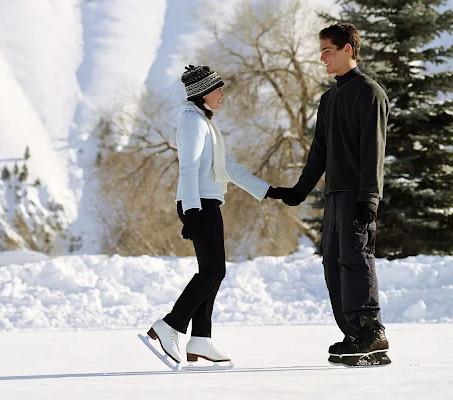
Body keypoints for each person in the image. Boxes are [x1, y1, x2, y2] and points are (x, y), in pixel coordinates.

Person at [266, 23, 391, 366]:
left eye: (327, 51)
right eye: (321, 50)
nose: (322, 57)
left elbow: (373, 151)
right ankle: (353, 334)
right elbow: (318, 152)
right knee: (333, 263)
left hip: (357, 193)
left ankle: (372, 331)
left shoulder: (370, 93)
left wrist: (370, 198)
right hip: (334, 193)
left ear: (348, 49)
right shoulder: (329, 98)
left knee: (355, 258)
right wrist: (299, 191)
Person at [147, 65, 272, 365]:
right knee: (213, 272)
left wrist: (270, 191)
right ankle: (171, 325)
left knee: (212, 271)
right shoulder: (192, 122)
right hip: (199, 204)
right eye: (218, 90)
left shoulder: (206, 124)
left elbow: (230, 168)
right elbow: (187, 167)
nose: (223, 95)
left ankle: (201, 339)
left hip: (207, 202)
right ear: (203, 93)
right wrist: (191, 210)